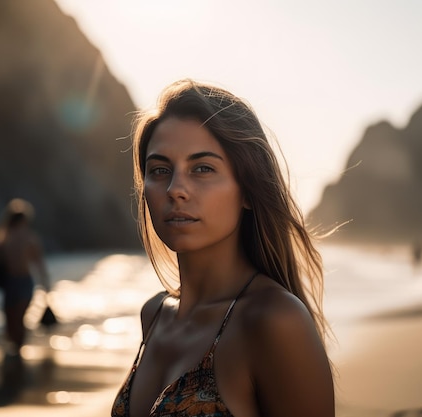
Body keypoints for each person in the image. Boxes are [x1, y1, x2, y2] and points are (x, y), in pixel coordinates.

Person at [112, 80, 335, 417]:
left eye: (202, 168)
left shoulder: (274, 321)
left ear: (247, 190)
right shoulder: (154, 314)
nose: (175, 189)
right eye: (160, 170)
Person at [0, 198, 50, 359]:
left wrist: (45, 283)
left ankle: (18, 350)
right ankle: (16, 349)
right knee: (11, 319)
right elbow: (38, 262)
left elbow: (38, 261)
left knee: (17, 317)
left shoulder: (14, 237)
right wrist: (45, 283)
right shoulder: (4, 237)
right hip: (12, 282)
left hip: (22, 282)